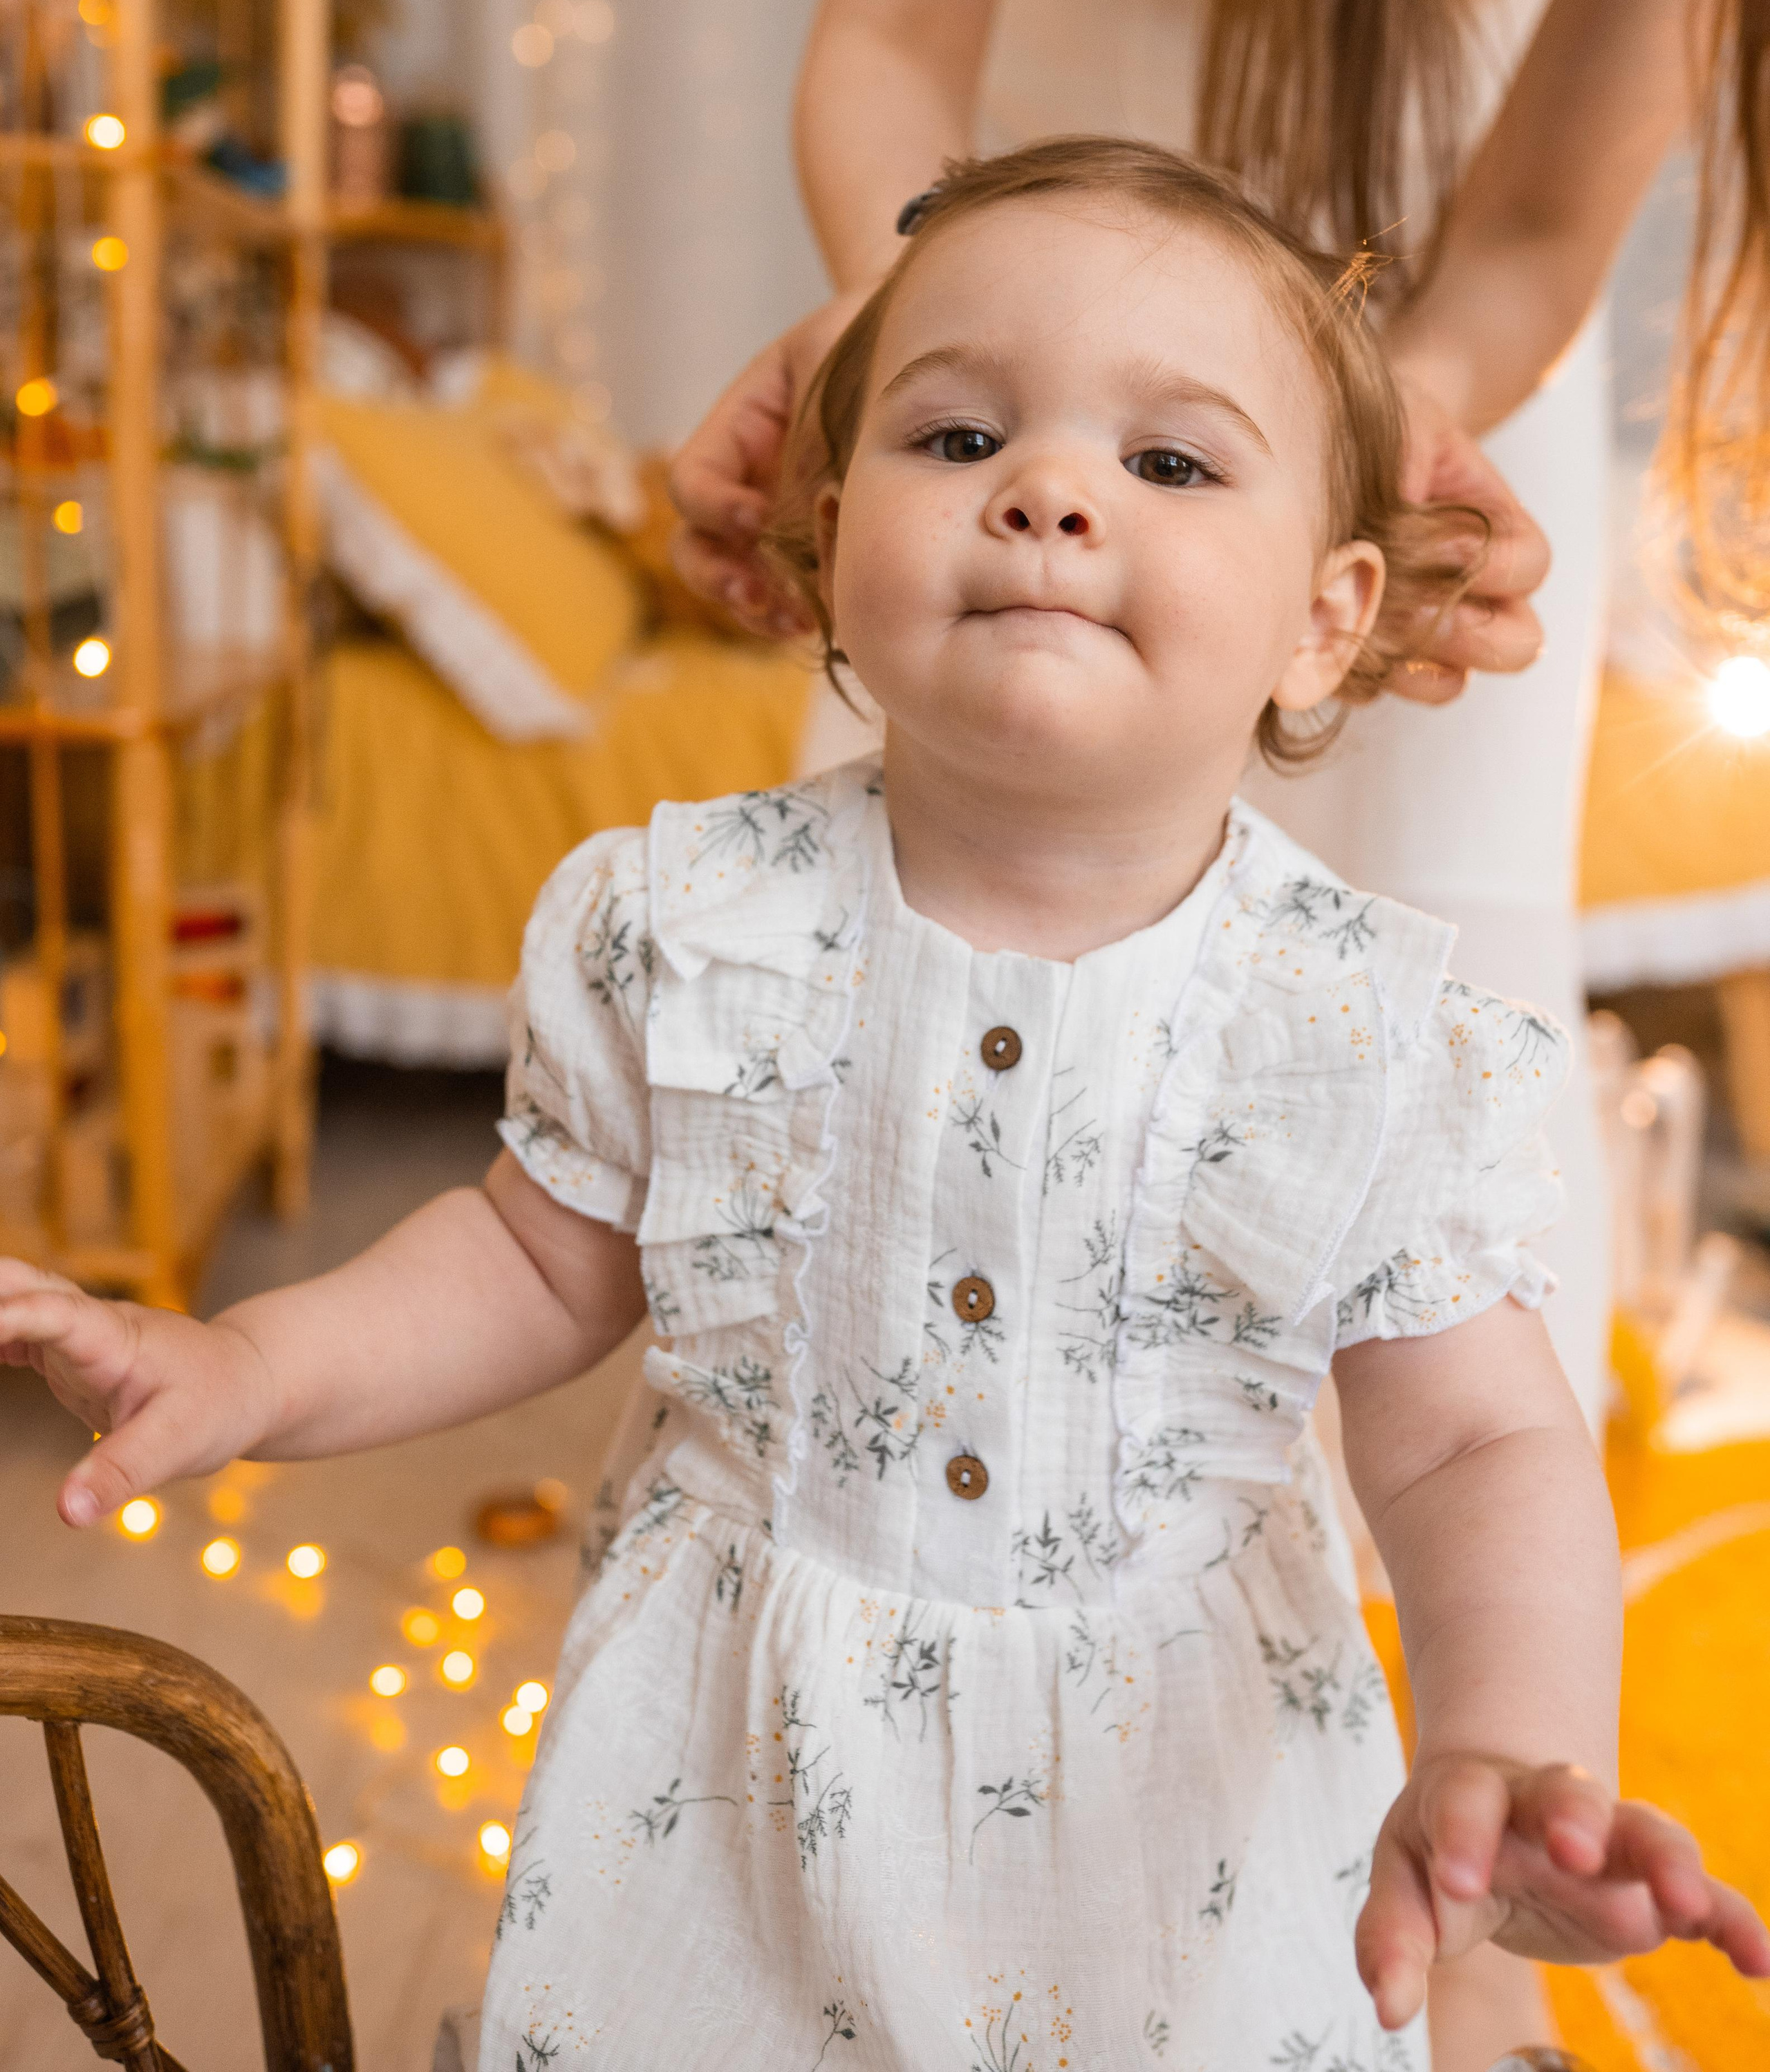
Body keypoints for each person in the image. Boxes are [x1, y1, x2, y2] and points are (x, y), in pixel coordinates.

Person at [6, 140, 1766, 2071]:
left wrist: (1512, 1748)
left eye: (1169, 463)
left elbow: (1475, 1446)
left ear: (1327, 618)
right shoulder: (691, 921)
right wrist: (247, 1368)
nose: (1049, 493)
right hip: (738, 1777)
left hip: (1182, 1818)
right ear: (832, 539)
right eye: (959, 438)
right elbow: (533, 1258)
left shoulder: (1352, 1021)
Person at [669, 0, 1770, 1475]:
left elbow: (1535, 227)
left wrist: (1367, 433)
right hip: (1025, 274)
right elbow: (885, 36)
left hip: (1429, 343)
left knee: (1445, 984)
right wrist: (903, 338)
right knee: (937, 910)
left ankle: (1399, 1578)